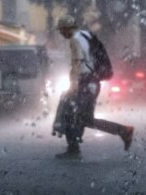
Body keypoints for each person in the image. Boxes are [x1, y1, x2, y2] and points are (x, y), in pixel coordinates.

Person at [54, 15, 134, 160]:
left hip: (85, 83)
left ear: (66, 29)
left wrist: (73, 85)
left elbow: (77, 64)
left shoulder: (74, 40)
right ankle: (122, 131)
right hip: (93, 82)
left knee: (70, 113)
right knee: (84, 118)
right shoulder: (86, 35)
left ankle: (74, 149)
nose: (61, 34)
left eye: (61, 31)